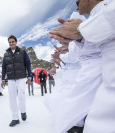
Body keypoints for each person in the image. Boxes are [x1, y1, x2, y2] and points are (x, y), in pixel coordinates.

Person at [49, 0, 115, 132]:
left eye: (78, 1)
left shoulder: (105, 11)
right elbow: (97, 45)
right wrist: (79, 37)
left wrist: (81, 30)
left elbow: (79, 56)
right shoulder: (95, 18)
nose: (77, 3)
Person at [1, 35, 31, 127]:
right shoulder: (6, 54)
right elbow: (3, 67)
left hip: (21, 77)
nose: (11, 43)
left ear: (16, 42)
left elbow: (28, 64)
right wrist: (3, 79)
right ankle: (15, 118)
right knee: (12, 98)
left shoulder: (22, 51)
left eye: (12, 41)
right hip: (10, 79)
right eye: (9, 42)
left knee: (21, 95)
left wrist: (29, 77)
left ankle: (23, 111)